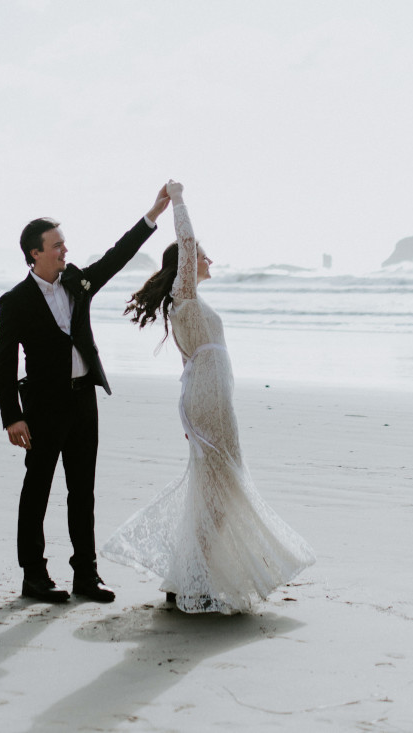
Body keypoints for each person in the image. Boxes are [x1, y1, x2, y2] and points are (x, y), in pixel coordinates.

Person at [104, 181, 315, 613]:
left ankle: (186, 575)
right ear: (186, 263)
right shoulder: (185, 297)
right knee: (222, 490)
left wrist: (188, 417)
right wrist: (177, 201)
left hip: (208, 400)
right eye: (203, 255)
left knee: (215, 490)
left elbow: (188, 367)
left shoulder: (187, 306)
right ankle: (192, 578)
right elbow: (184, 240)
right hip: (210, 401)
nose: (208, 259)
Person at [0, 185, 171, 603]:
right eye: (56, 245)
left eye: (64, 244)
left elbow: (117, 255)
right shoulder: (15, 301)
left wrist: (153, 213)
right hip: (41, 408)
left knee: (82, 491)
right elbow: (3, 362)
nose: (64, 250)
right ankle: (34, 576)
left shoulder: (77, 283)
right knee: (36, 490)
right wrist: (11, 416)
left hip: (82, 402)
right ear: (34, 253)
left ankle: (85, 576)